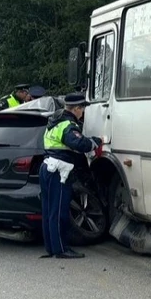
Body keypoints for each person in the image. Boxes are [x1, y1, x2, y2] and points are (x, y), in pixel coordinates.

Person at [39, 93, 102, 259]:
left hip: (47, 167)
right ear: (77, 108)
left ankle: (51, 247)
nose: (83, 113)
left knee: (49, 211)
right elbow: (79, 143)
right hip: (59, 170)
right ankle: (61, 250)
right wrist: (96, 141)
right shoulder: (68, 125)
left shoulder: (54, 121)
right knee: (59, 211)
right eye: (83, 109)